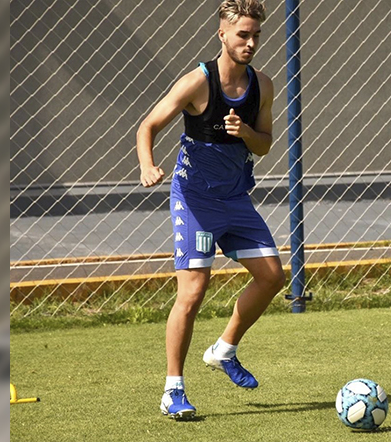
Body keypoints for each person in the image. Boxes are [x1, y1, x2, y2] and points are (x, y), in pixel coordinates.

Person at [136, 0, 285, 420]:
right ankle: (172, 390)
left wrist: (246, 132)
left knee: (272, 277)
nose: (250, 43)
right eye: (242, 35)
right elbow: (148, 126)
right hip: (195, 201)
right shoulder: (197, 83)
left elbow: (264, 145)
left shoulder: (263, 85)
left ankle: (224, 349)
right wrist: (147, 165)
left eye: (256, 35)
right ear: (222, 34)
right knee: (193, 291)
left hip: (235, 199)